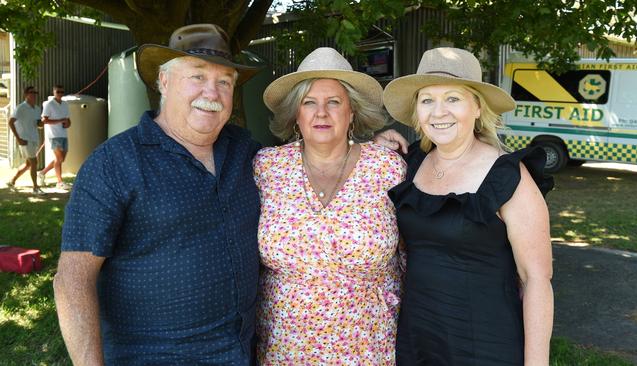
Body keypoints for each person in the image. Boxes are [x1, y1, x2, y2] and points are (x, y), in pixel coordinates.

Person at [53, 24, 262, 365]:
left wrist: (375, 148)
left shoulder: (247, 153)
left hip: (243, 353)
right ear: (163, 82)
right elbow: (72, 280)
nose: (212, 92)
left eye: (224, 81)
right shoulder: (114, 163)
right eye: (197, 76)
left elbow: (313, 165)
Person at [384, 47, 554, 365]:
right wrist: (374, 149)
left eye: (453, 98)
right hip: (418, 339)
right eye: (427, 100)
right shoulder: (409, 164)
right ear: (417, 112)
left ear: (477, 107)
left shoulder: (506, 175)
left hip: (486, 345)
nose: (438, 112)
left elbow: (537, 279)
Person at [254, 47, 407, 365]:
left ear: (352, 112)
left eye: (334, 102)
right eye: (309, 103)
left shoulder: (387, 168)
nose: (320, 113)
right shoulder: (266, 167)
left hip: (368, 344)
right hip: (285, 346)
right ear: (296, 114)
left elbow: (415, 251)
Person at [6, 86, 45, 196]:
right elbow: (10, 122)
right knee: (34, 162)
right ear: (26, 94)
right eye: (31, 92)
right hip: (25, 139)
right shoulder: (21, 108)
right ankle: (35, 188)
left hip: (34, 138)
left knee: (28, 164)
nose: (33, 95)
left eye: (34, 93)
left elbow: (38, 125)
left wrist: (43, 122)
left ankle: (13, 180)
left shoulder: (37, 108)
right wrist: (18, 139)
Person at [39, 85, 71, 190]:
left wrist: (67, 124)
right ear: (54, 92)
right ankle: (59, 182)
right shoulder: (49, 104)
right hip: (53, 135)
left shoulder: (65, 104)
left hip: (63, 134)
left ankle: (42, 173)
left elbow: (68, 120)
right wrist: (60, 121)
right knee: (59, 158)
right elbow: (44, 120)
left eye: (62, 92)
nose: (60, 93)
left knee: (61, 159)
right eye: (58, 92)